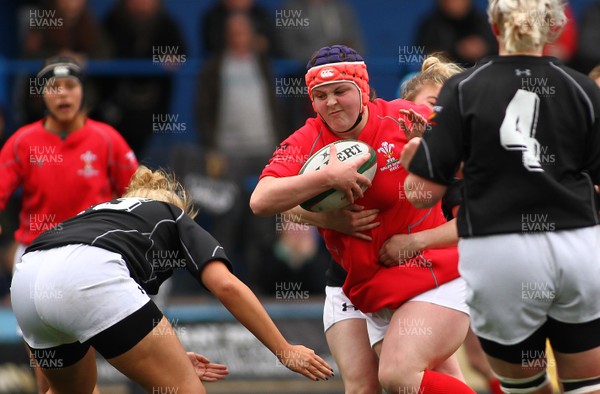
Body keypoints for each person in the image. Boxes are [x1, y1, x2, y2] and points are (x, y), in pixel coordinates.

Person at [250, 45, 474, 393]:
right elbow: (262, 199)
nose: (332, 103)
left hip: (430, 274)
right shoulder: (307, 140)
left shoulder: (403, 117)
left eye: (341, 91)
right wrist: (326, 190)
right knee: (373, 387)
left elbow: (473, 158)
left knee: (398, 376)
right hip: (362, 285)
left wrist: (427, 149)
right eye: (320, 95)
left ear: (364, 90)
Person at [401, 0, 600, 393]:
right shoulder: (582, 87)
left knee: (524, 387)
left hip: (500, 253)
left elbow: (424, 195)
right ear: (555, 27)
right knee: (586, 387)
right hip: (577, 246)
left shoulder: (465, 87)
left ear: (494, 24)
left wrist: (414, 160)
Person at [10, 165, 334, 393]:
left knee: (72, 391)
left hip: (27, 275)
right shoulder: (172, 215)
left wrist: (169, 358)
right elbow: (227, 285)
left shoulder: (100, 211)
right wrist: (283, 350)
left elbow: (83, 303)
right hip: (87, 276)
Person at [0, 56, 138, 394]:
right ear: (42, 96)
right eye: (53, 87)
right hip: (34, 262)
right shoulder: (22, 142)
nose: (63, 94)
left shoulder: (107, 140)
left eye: (71, 85)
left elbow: (138, 195)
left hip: (91, 261)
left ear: (83, 92)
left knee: (79, 376)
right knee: (49, 380)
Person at [416, 0, 497, 68]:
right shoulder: (431, 26)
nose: (458, 2)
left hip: (480, 76)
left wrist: (483, 48)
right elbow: (429, 58)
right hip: (445, 78)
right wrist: (459, 50)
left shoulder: (483, 21)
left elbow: (497, 49)